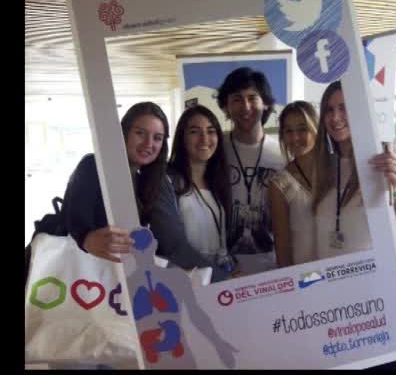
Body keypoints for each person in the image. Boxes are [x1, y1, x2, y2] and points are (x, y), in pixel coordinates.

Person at [311, 81, 396, 370]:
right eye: (329, 109)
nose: (335, 117)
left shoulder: (391, 155)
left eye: (344, 108)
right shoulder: (325, 167)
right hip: (352, 310)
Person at [61, 101, 228, 283]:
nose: (149, 144)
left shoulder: (146, 180)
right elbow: (72, 214)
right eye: (140, 133)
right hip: (88, 277)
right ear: (123, 132)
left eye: (157, 138)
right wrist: (85, 238)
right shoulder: (94, 165)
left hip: (122, 281)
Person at [216, 67, 285, 275]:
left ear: (265, 104)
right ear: (226, 106)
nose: (245, 106)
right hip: (224, 269)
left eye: (252, 98)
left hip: (272, 266)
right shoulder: (215, 149)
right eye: (236, 99)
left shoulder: (283, 153)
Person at [166, 104, 234, 274]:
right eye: (194, 132)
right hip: (184, 279)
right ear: (182, 138)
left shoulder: (217, 182)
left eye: (211, 131)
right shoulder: (168, 181)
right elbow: (173, 245)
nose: (204, 139)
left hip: (214, 279)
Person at [269, 101, 319, 267]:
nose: (295, 137)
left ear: (315, 129)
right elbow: (282, 252)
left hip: (342, 273)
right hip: (306, 279)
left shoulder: (336, 171)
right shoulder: (280, 184)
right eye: (288, 131)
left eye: (302, 129)